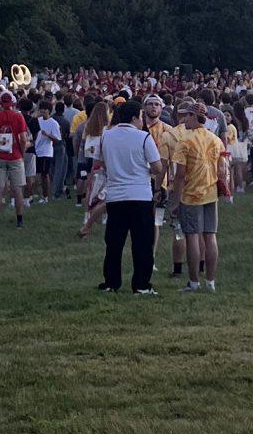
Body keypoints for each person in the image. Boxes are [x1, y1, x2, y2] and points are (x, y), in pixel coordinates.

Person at [96, 98, 162, 294]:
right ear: (135, 117)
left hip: (115, 195)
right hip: (140, 195)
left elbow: (104, 163)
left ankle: (111, 282)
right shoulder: (143, 137)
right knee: (142, 243)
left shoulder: (106, 136)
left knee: (114, 243)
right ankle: (141, 284)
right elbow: (157, 167)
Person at [171, 95, 226, 292]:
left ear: (195, 116)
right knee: (210, 236)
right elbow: (222, 169)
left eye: (187, 116)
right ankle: (210, 281)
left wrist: (175, 202)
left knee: (192, 237)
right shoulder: (216, 139)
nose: (185, 120)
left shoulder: (185, 141)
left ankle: (194, 282)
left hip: (191, 194)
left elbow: (179, 175)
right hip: (211, 192)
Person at [0, 89, 31, 226]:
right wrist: (22, 153)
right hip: (15, 155)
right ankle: (19, 220)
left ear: (0, 103)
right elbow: (23, 139)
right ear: (12, 103)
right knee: (17, 188)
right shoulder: (18, 117)